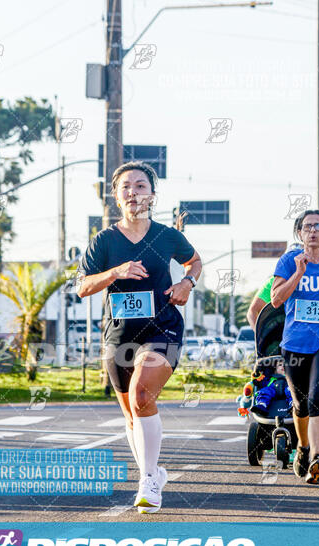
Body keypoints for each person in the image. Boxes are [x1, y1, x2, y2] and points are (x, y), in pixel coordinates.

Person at [77, 161, 202, 512]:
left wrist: (186, 283)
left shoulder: (166, 236)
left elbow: (194, 261)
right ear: (117, 197)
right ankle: (154, 472)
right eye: (126, 187)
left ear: (152, 194)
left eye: (141, 186)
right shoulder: (104, 241)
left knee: (143, 393)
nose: (133, 192)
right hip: (118, 332)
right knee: (133, 413)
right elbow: (82, 287)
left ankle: (147, 482)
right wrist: (116, 271)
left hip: (162, 326)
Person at [271, 210, 319, 484]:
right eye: (307, 226)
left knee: (316, 398)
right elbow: (276, 300)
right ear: (299, 233)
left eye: (318, 226)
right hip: (294, 345)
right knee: (300, 405)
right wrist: (298, 274)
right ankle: (302, 448)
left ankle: (317, 458)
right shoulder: (289, 261)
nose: (312, 231)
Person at [247, 244, 303, 330]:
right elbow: (252, 311)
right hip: (280, 335)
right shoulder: (273, 282)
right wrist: (259, 337)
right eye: (291, 260)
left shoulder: (316, 280)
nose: (296, 262)